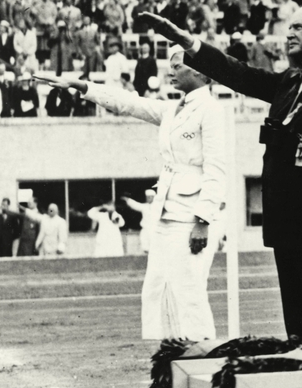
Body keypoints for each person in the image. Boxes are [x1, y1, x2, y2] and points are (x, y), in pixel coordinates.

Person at [142, 5, 302, 340]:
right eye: (287, 29)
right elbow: (240, 74)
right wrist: (188, 43)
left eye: (298, 27)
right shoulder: (290, 80)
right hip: (287, 223)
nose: (289, 35)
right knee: (298, 328)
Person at [35, 52, 227, 341]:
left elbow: (216, 169)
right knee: (155, 288)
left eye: (178, 66)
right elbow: (129, 103)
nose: (171, 71)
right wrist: (79, 85)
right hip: (165, 210)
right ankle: (166, 354)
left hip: (190, 213)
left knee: (188, 289)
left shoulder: (211, 110)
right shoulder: (174, 109)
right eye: (170, 66)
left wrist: (203, 219)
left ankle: (204, 355)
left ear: (202, 73)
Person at [122, 189, 159, 254]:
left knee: (155, 247)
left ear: (154, 197)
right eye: (147, 197)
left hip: (155, 229)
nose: (148, 199)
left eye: (150, 197)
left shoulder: (158, 207)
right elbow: (136, 205)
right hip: (145, 229)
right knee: (145, 247)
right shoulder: (145, 206)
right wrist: (127, 200)